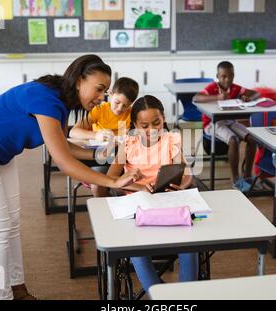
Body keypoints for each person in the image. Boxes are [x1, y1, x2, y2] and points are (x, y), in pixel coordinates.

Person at [0, 54, 142, 300]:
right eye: (99, 89)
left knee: (12, 224)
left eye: (105, 91)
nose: (101, 97)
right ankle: (2, 296)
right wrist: (113, 181)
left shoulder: (59, 101)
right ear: (79, 80)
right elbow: (62, 160)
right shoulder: (47, 99)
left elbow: (65, 145)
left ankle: (18, 289)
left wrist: (105, 156)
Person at [102, 95, 198, 293]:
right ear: (135, 125)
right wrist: (135, 185)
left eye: (157, 123)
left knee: (190, 245)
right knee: (137, 250)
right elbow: (112, 179)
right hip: (138, 206)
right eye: (144, 126)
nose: (152, 130)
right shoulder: (128, 144)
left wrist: (183, 185)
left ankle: (187, 295)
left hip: (169, 201)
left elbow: (186, 172)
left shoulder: (171, 140)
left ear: (163, 118)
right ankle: (158, 294)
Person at [193, 61, 260, 192]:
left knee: (253, 139)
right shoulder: (212, 87)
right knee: (233, 140)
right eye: (223, 76)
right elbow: (196, 98)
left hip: (229, 121)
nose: (227, 79)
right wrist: (217, 97)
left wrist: (248, 98)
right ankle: (235, 180)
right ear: (217, 76)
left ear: (233, 75)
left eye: (230, 76)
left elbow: (256, 93)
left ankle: (247, 176)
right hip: (213, 123)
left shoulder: (235, 88)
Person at [68, 77, 139, 196]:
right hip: (100, 159)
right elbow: (73, 132)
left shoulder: (132, 114)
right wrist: (96, 135)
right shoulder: (99, 110)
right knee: (98, 185)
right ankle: (105, 210)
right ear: (111, 94)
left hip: (123, 161)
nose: (120, 108)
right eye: (117, 102)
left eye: (126, 105)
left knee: (131, 183)